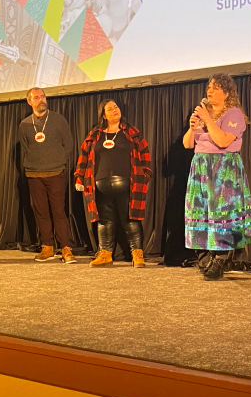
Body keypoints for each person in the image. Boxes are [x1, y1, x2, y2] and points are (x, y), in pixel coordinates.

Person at [182, 74, 251, 280]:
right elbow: (188, 144)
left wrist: (208, 120)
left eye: (215, 88)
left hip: (223, 167)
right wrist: (192, 127)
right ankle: (205, 257)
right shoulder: (204, 115)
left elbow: (223, 141)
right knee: (201, 211)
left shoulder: (234, 113)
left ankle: (221, 259)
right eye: (209, 87)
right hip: (200, 167)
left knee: (222, 213)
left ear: (226, 92)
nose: (210, 91)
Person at [74, 99, 152, 268]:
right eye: (110, 109)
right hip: (100, 187)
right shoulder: (94, 135)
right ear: (104, 115)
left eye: (116, 107)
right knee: (104, 221)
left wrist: (145, 175)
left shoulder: (131, 133)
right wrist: (80, 177)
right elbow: (84, 157)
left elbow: (144, 155)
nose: (115, 110)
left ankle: (137, 254)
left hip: (128, 184)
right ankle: (105, 254)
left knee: (130, 219)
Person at [19, 87, 77, 263]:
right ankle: (47, 247)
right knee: (41, 212)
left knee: (58, 211)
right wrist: (33, 164)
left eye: (43, 96)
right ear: (29, 102)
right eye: (36, 98)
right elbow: (25, 148)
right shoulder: (24, 125)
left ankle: (65, 248)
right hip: (34, 174)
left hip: (55, 172)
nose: (41, 100)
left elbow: (68, 144)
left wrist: (59, 162)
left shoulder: (58, 120)